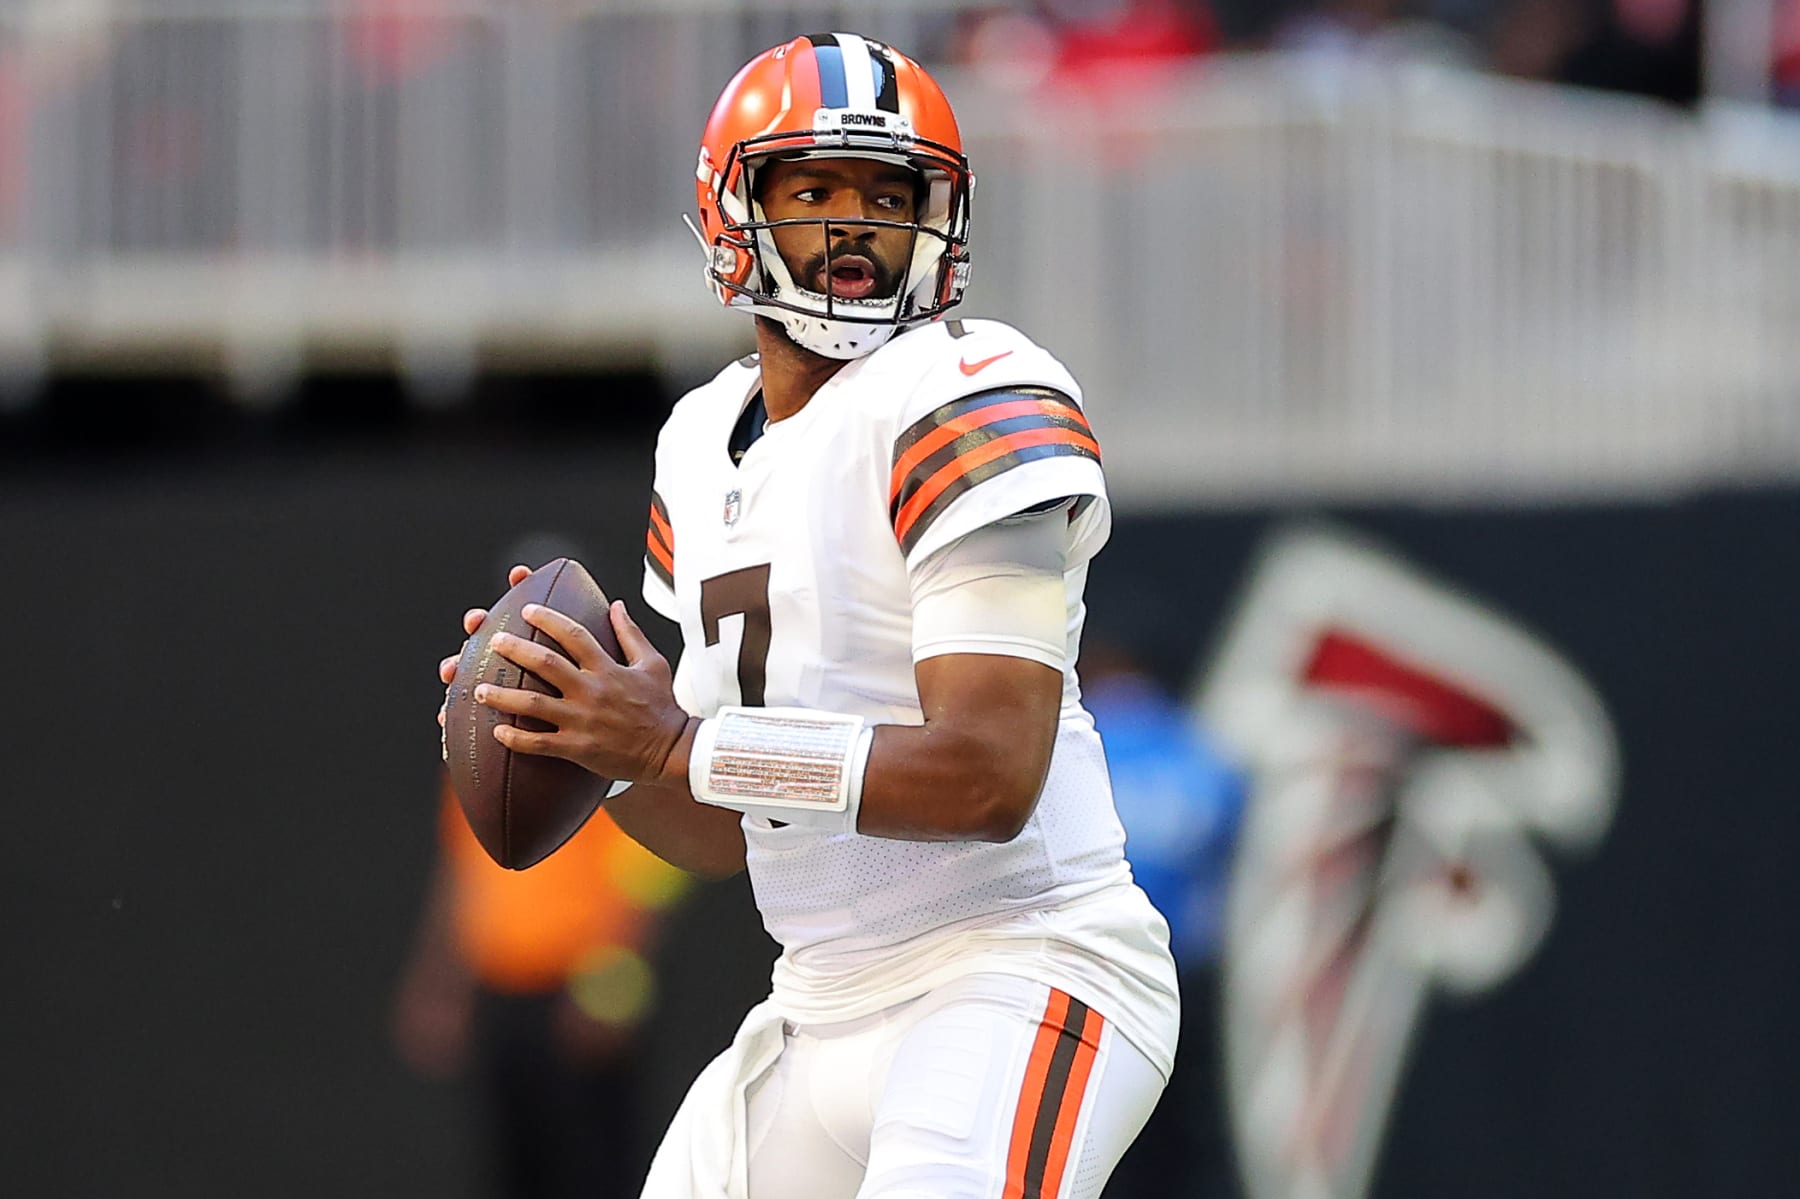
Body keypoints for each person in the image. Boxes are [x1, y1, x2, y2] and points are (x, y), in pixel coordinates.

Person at [437, 33, 1178, 1198]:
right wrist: (604, 754)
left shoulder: (969, 387)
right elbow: (729, 830)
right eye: (815, 188)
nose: (855, 224)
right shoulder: (698, 440)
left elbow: (988, 777)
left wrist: (677, 739)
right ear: (734, 213)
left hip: (1018, 964)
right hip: (817, 997)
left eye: (892, 194)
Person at [392, 774, 691, 1197]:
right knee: (514, 1171)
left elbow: (648, 868)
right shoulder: (473, 745)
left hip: (579, 995)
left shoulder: (596, 734)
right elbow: (463, 863)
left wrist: (606, 988)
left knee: (594, 1171)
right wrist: (442, 981)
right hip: (497, 990)